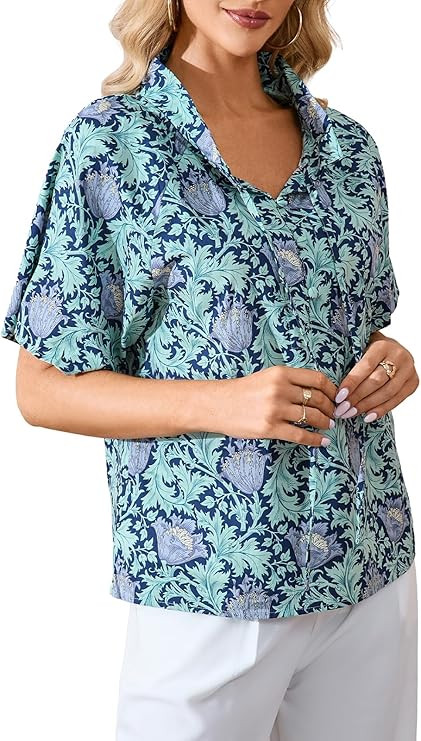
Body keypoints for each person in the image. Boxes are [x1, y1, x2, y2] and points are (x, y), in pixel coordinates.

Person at [1, 0, 419, 739]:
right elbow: (41, 389)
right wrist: (220, 403)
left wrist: (390, 359)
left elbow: (338, 321)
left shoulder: (348, 148)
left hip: (365, 564)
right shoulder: (111, 145)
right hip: (207, 582)